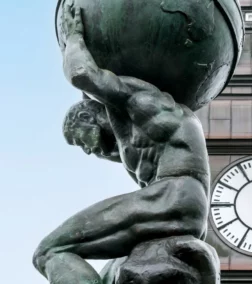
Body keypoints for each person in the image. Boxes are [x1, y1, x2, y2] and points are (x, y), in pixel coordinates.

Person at [33, 1, 212, 283]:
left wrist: (73, 39)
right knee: (109, 275)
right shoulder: (135, 135)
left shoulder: (142, 102)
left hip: (173, 196)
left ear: (88, 115)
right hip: (177, 203)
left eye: (82, 140)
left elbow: (83, 75)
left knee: (50, 250)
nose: (89, 150)